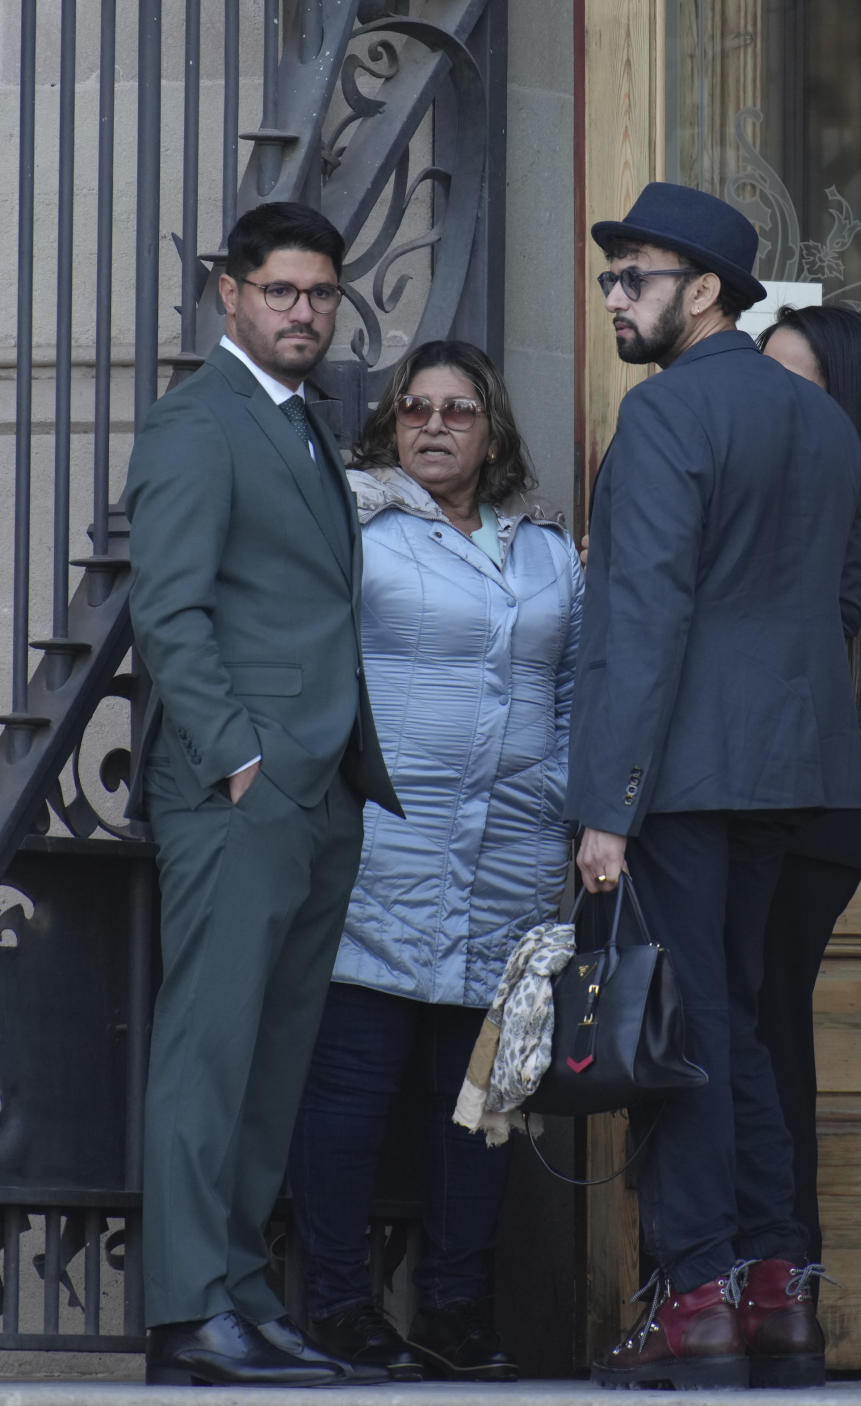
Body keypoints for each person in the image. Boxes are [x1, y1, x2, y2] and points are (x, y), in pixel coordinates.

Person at [565, 182, 861, 1392]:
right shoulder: (821, 423)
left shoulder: (667, 419)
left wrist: (606, 803)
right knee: (735, 1026)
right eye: (609, 281)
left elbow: (640, 619)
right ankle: (777, 1291)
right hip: (788, 779)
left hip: (681, 779)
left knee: (680, 1032)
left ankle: (692, 1298)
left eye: (633, 278)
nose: (614, 301)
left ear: (705, 291)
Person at [125, 200, 402, 1388]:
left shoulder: (296, 422)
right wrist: (241, 753)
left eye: (322, 292)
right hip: (241, 790)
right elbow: (169, 611)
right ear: (229, 293)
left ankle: (238, 1288)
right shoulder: (200, 421)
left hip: (315, 786)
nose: (304, 311)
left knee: (270, 1060)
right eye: (282, 290)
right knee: (211, 1051)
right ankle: (189, 1308)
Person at [287, 340, 583, 1382]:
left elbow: (574, 687)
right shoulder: (357, 524)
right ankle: (335, 1303)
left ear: (492, 428)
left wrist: (560, 796)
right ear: (389, 423)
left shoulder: (547, 548)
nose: (435, 425)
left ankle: (459, 1308)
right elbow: (305, 657)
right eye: (415, 407)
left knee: (483, 1102)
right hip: (384, 847)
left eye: (460, 410)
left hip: (508, 861)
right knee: (350, 1089)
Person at [756, 304, 861, 1266]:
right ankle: (770, 1275)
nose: (770, 401)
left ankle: (779, 1270)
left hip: (802, 812)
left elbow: (829, 617)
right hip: (777, 799)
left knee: (762, 1045)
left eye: (792, 382)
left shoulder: (835, 488)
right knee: (752, 1039)